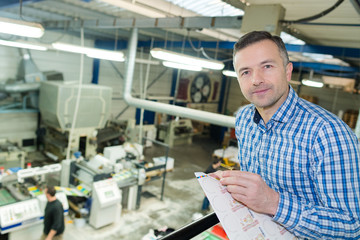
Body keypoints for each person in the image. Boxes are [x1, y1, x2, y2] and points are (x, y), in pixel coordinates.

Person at [212, 31, 360, 239]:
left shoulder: (328, 134)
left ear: (288, 71)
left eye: (267, 66)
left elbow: (352, 226)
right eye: (245, 72)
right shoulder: (245, 119)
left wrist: (273, 202)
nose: (256, 80)